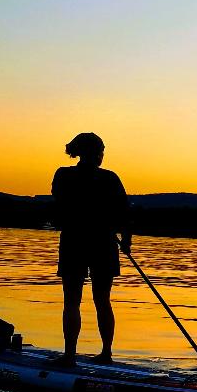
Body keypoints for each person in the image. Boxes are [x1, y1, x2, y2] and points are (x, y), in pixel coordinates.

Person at [51, 132, 131, 365]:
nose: (102, 155)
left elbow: (60, 203)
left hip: (76, 241)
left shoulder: (63, 175)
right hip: (101, 243)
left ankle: (70, 355)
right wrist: (126, 241)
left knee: (72, 301)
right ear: (95, 153)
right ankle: (105, 353)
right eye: (101, 151)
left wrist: (125, 240)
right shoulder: (109, 178)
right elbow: (125, 214)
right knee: (102, 300)